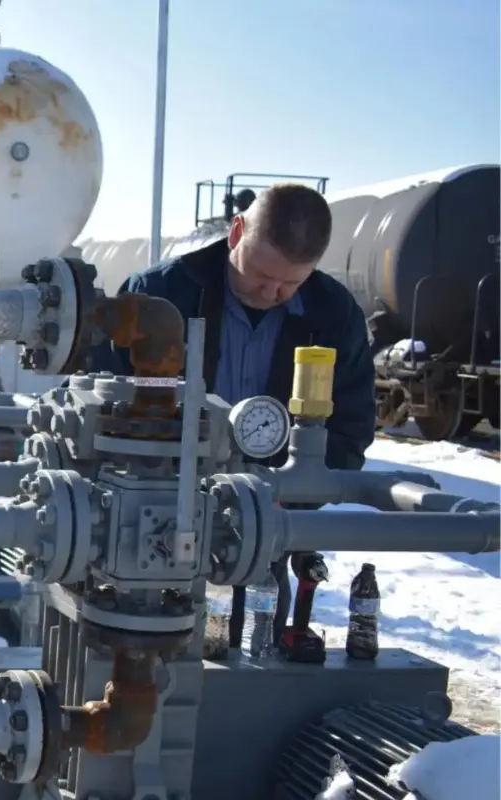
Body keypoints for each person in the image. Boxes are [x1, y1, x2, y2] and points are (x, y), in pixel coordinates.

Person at [90, 182, 377, 650]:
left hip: (265, 529)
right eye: (261, 273)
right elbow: (102, 408)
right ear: (237, 232)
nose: (272, 290)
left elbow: (351, 426)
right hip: (153, 523)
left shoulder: (334, 315)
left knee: (255, 654)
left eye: (292, 283)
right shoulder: (159, 295)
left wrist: (291, 503)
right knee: (143, 650)